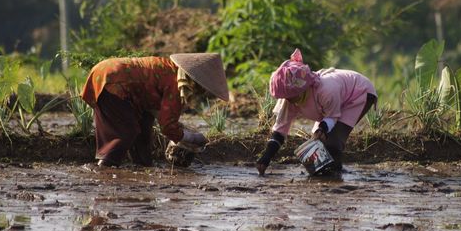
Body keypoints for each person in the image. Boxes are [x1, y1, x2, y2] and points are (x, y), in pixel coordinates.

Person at [81, 53, 229, 167]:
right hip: (114, 80)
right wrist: (190, 138)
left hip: (108, 71)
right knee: (127, 132)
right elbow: (167, 125)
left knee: (144, 127)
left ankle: (143, 164)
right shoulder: (176, 85)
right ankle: (105, 169)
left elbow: (154, 107)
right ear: (197, 83)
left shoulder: (169, 68)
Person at [256, 48, 377, 176]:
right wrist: (266, 157)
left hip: (358, 92)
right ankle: (323, 174)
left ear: (303, 89)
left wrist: (323, 129)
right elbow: (280, 131)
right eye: (287, 97)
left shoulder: (326, 89)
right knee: (317, 144)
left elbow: (332, 116)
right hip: (332, 103)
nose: (290, 101)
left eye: (293, 97)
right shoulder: (289, 99)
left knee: (332, 141)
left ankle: (335, 174)